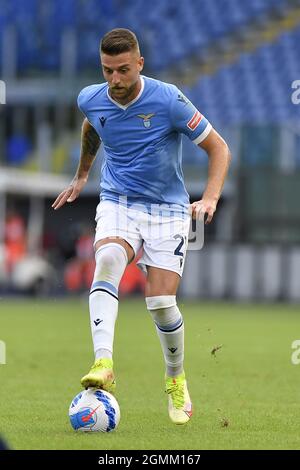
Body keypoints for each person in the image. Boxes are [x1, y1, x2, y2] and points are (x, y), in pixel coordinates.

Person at [52, 28, 231, 425]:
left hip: (168, 209)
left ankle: (175, 379)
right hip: (119, 202)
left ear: (140, 64)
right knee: (109, 260)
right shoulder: (91, 97)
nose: (114, 80)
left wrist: (212, 196)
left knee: (160, 303)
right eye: (107, 71)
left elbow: (218, 147)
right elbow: (91, 127)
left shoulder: (168, 99)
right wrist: (82, 176)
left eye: (123, 71)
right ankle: (103, 362)